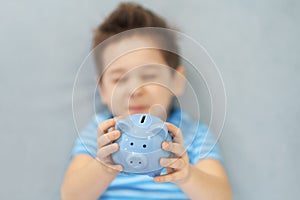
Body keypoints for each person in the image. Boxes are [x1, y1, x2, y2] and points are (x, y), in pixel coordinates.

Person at [61, 2, 232, 200]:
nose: (135, 90)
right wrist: (103, 167)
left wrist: (187, 175)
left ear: (176, 81)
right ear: (103, 90)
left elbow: (222, 196)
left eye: (150, 75)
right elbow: (70, 195)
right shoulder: (100, 133)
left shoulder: (193, 134)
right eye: (119, 79)